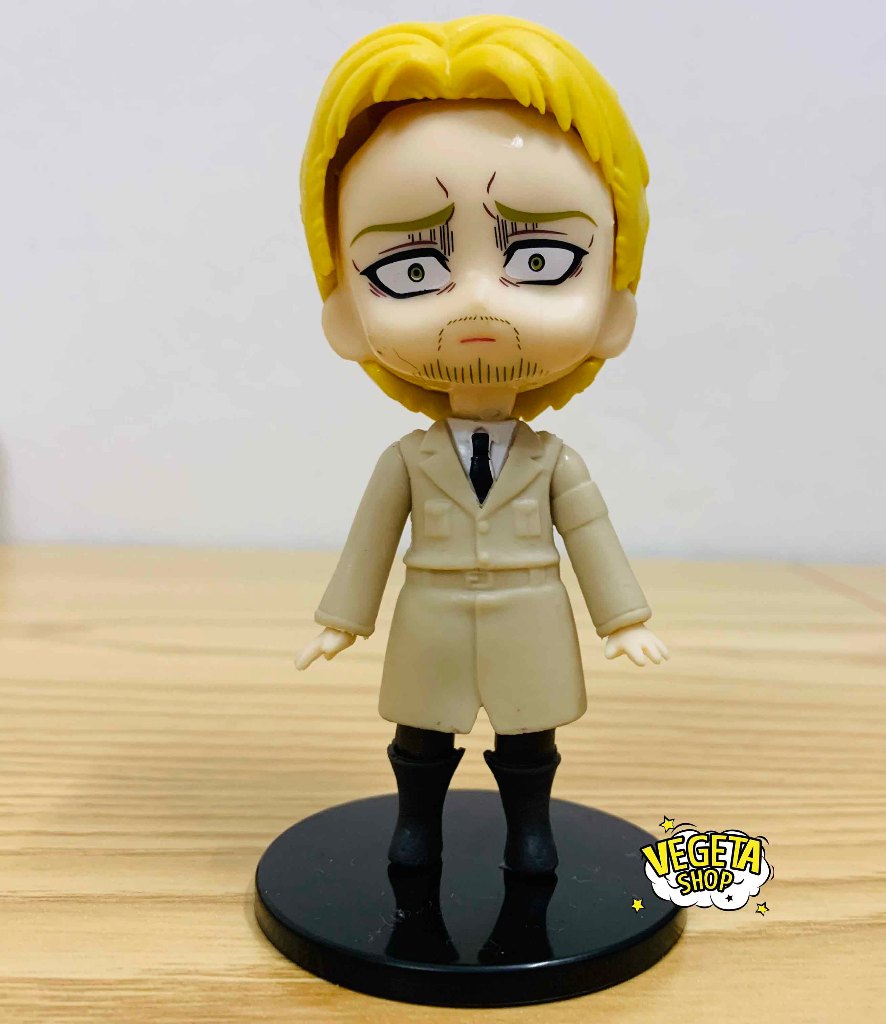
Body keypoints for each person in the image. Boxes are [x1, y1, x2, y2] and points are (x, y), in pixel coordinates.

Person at [293, 15, 668, 876]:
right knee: (420, 736)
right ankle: (414, 829)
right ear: (345, 311)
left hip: (531, 612)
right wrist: (340, 622)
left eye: (540, 260)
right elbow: (370, 542)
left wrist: (625, 620)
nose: (477, 305)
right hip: (428, 614)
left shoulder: (554, 463)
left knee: (530, 737)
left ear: (614, 305)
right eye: (410, 271)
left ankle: (531, 836)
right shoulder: (407, 461)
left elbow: (592, 537)